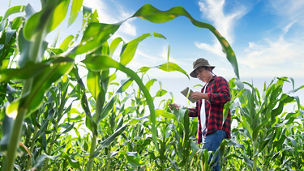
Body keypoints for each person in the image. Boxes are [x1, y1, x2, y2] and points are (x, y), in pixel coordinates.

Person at [170, 58, 231, 171]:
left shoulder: (219, 80)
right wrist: (180, 109)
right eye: (196, 74)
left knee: (209, 163)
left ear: (208, 69)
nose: (198, 76)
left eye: (200, 72)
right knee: (210, 163)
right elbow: (197, 112)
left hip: (216, 128)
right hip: (205, 131)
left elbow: (225, 97)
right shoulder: (203, 89)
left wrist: (205, 96)